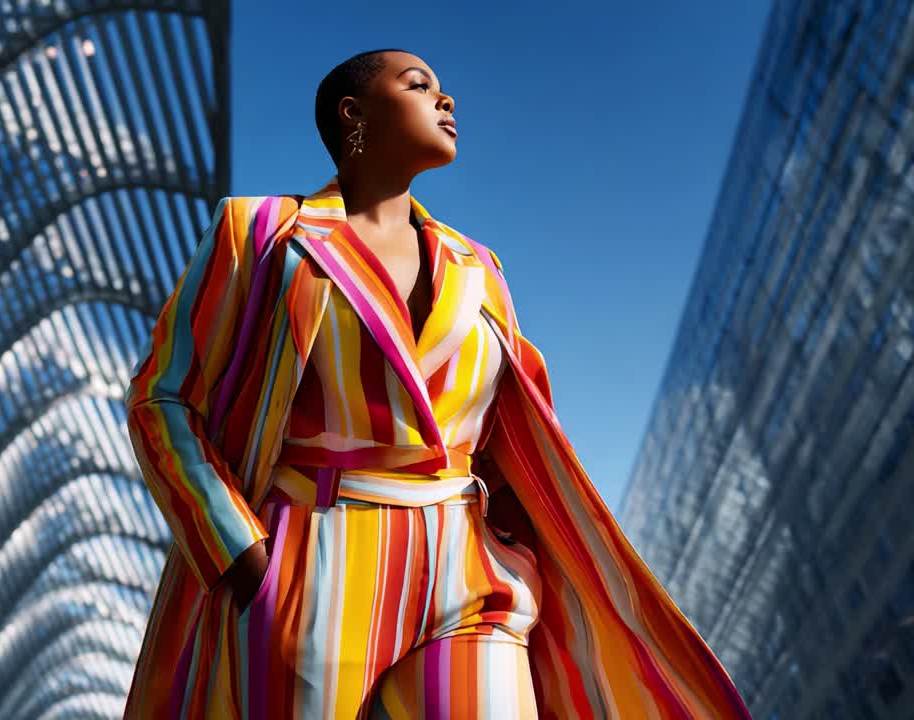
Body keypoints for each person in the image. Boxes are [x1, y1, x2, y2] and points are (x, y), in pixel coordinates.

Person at [123, 48, 751, 719]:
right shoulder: (261, 232)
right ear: (353, 113)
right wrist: (240, 555)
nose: (446, 101)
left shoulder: (478, 267)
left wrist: (513, 541)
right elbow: (162, 398)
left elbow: (514, 420)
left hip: (469, 568)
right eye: (420, 85)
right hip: (311, 562)